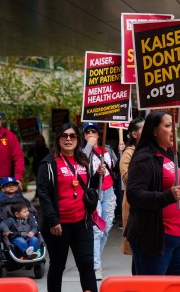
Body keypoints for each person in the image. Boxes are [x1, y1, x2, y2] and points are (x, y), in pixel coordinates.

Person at [125, 111, 180, 275]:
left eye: (174, 126)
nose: (173, 130)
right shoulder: (144, 158)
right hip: (156, 238)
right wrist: (167, 197)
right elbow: (133, 194)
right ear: (154, 131)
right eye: (168, 126)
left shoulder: (172, 155)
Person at [37, 123, 103, 292]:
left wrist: (97, 176)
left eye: (72, 136)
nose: (68, 139)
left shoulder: (83, 160)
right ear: (58, 139)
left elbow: (88, 186)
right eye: (64, 136)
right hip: (58, 226)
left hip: (83, 222)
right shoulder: (48, 164)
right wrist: (53, 221)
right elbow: (43, 195)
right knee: (58, 266)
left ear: (77, 140)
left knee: (87, 265)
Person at [81, 122, 121, 281]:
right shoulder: (82, 151)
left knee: (106, 227)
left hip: (109, 191)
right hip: (93, 193)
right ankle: (96, 266)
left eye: (93, 131)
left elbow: (117, 168)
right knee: (96, 230)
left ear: (98, 134)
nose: (91, 133)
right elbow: (81, 167)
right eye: (87, 132)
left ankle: (95, 257)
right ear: (84, 136)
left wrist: (121, 151)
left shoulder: (108, 150)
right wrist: (89, 147)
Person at [119, 117, 145, 274]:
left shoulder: (152, 150)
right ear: (134, 135)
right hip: (135, 206)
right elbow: (127, 178)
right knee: (138, 252)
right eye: (144, 129)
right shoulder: (128, 153)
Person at [0, 108, 25, 194]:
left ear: (0, 121)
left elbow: (18, 158)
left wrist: (18, 177)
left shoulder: (9, 136)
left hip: (5, 182)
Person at [27, 134, 49, 199]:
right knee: (38, 181)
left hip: (43, 167)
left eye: (40, 140)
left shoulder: (45, 149)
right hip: (36, 167)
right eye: (37, 140)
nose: (39, 142)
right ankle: (38, 194)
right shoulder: (34, 149)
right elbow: (29, 155)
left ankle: (42, 193)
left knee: (42, 181)